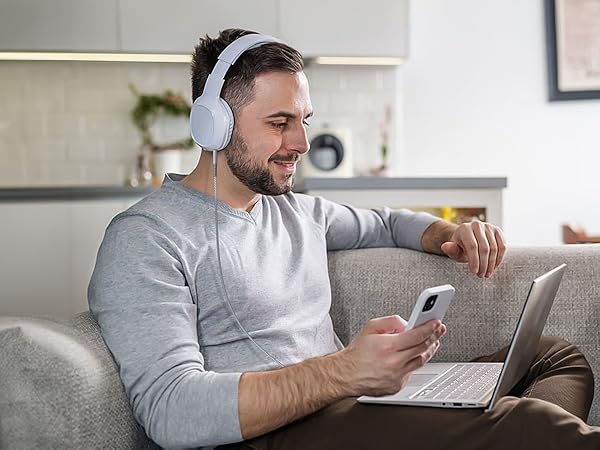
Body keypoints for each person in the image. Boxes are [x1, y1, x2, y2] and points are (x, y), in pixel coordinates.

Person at [88, 29, 599, 449]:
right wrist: (345, 372)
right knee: (533, 424)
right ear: (214, 125)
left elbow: (386, 222)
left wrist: (452, 233)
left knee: (556, 357)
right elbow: (170, 410)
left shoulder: (294, 211)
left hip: (352, 408)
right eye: (280, 123)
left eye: (303, 121)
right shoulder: (146, 238)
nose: (302, 143)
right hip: (279, 432)